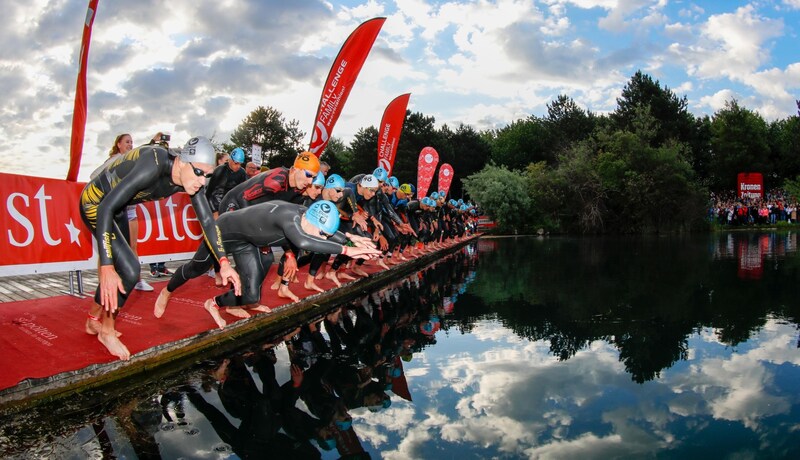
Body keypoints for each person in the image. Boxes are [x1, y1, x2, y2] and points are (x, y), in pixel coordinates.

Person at [79, 136, 242, 360]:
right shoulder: (152, 164)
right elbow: (105, 206)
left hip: (119, 208)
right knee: (128, 270)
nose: (202, 182)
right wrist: (106, 266)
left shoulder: (191, 177)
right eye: (199, 174)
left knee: (123, 269)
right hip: (96, 205)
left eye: (208, 176)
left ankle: (92, 321)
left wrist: (223, 263)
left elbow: (208, 223)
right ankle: (106, 331)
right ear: (182, 162)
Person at [154, 200, 380, 328]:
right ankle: (167, 290)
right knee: (196, 268)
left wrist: (350, 238)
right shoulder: (290, 220)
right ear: (311, 222)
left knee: (252, 296)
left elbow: (323, 234)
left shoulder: (307, 216)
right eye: (322, 234)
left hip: (246, 242)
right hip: (223, 232)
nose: (323, 238)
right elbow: (304, 240)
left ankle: (213, 303)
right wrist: (347, 249)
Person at [90, 134, 153, 292]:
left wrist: (152, 143)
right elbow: (93, 176)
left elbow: (143, 153)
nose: (130, 144)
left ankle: (136, 280)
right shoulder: (114, 160)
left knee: (133, 246)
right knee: (107, 248)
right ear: (118, 144)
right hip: (114, 211)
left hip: (130, 210)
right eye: (127, 142)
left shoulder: (132, 161)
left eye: (132, 142)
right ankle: (102, 282)